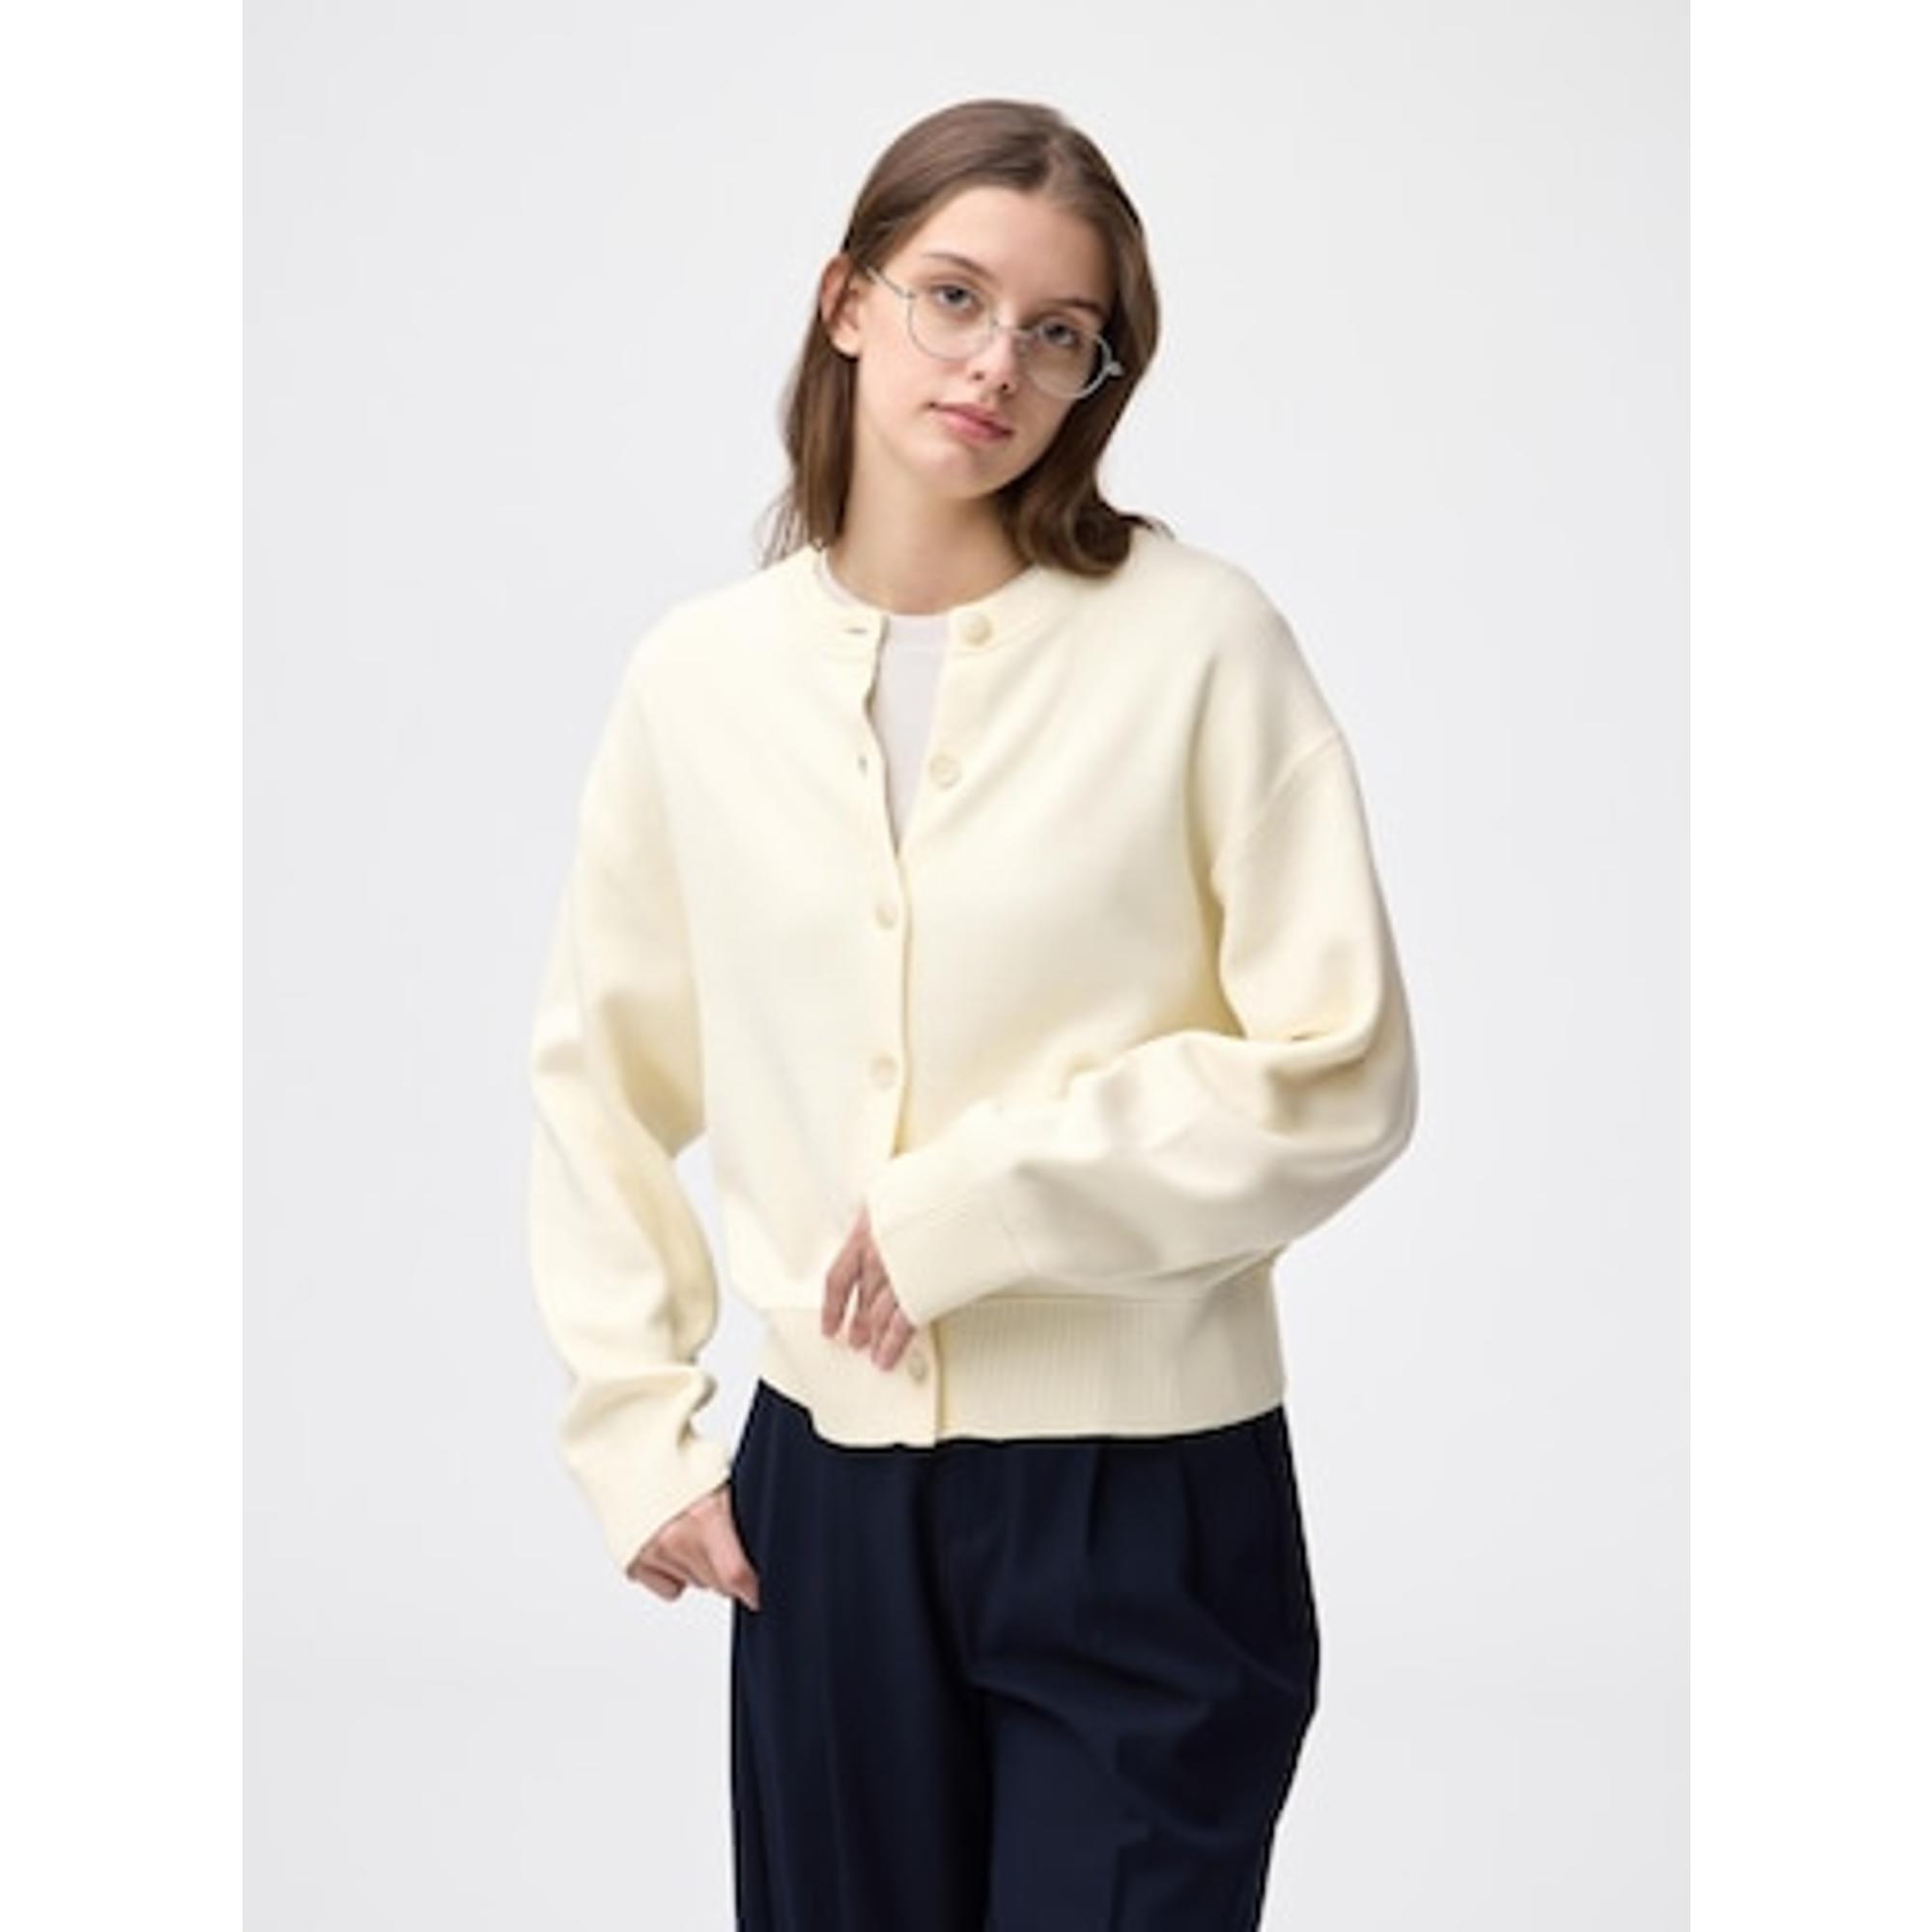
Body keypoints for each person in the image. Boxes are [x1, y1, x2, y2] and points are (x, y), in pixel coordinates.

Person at [526, 96, 1420, 1932]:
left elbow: (1343, 1072)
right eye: (953, 296)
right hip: (826, 1510)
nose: (997, 362)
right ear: (847, 301)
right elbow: (600, 1075)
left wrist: (985, 1204)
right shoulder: (700, 681)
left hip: (1148, 1501)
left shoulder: (1198, 642)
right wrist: (635, 1429)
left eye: (1059, 331)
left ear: (1098, 376)